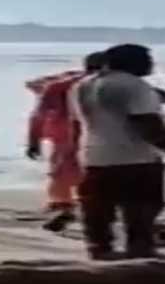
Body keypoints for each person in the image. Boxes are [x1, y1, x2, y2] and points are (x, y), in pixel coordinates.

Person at [70, 44, 165, 260]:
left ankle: (100, 250)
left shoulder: (83, 85)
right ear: (132, 62)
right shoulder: (134, 86)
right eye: (147, 59)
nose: (151, 64)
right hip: (136, 159)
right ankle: (140, 250)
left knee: (99, 209)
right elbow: (148, 124)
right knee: (143, 208)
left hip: (95, 157)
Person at [26, 52, 107, 231]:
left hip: (65, 133)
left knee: (62, 171)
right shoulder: (112, 84)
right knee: (96, 172)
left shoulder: (61, 84)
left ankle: (64, 205)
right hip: (100, 134)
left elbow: (38, 114)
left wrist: (33, 140)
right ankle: (75, 206)